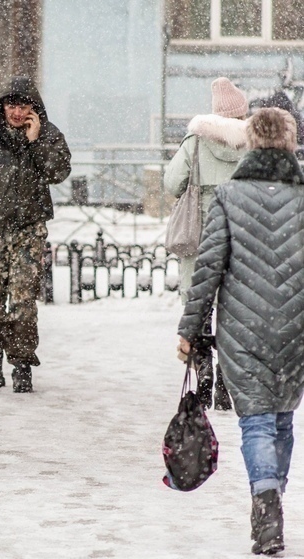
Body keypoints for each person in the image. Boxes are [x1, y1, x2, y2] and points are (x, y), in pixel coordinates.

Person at [177, 108, 304, 556]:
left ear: (249, 142)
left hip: (243, 332)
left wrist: (190, 328)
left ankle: (265, 503)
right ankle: (273, 498)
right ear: (290, 144)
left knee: (257, 422)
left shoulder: (229, 197)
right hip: (297, 332)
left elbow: (208, 268)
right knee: (282, 420)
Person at [0, 76, 71, 392]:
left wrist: (36, 142)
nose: (17, 113)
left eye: (23, 106)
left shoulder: (46, 134)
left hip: (28, 230)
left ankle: (22, 363)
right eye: (12, 105)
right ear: (2, 106)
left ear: (33, 108)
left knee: (23, 299)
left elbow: (59, 172)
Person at [164, 77, 248, 411]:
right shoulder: (252, 145)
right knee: (230, 308)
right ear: (241, 115)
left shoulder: (194, 143)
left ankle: (203, 373)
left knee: (198, 306)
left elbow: (172, 183)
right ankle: (227, 383)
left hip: (198, 237)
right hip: (237, 238)